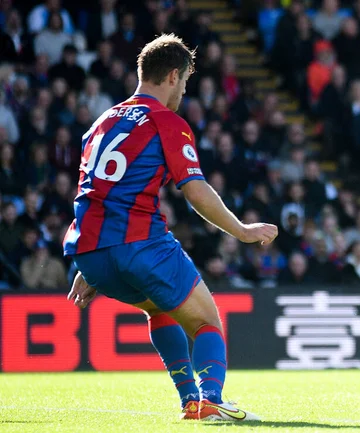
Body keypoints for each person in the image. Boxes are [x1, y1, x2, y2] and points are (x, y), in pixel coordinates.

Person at [63, 34, 277, 421]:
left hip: (91, 249)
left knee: (161, 311)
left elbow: (92, 190)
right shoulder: (166, 122)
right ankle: (211, 396)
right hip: (141, 244)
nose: (183, 92)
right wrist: (243, 231)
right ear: (174, 76)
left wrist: (86, 261)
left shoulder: (102, 121)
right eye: (184, 83)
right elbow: (195, 190)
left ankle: (190, 401)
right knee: (207, 321)